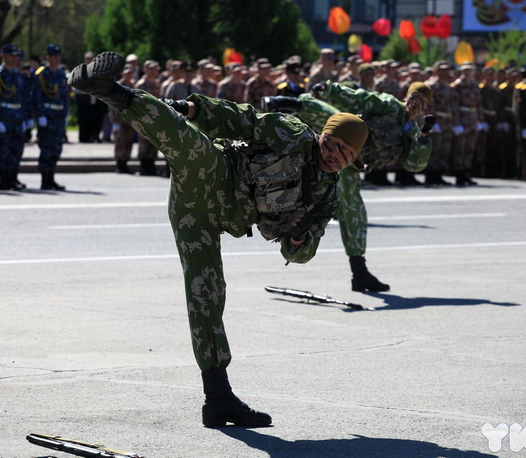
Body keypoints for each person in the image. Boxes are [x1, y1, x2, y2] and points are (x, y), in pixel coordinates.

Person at [67, 51, 368, 427]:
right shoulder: (291, 134)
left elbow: (304, 253)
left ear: (353, 161)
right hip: (214, 174)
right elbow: (241, 119)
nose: (335, 155)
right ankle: (109, 90)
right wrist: (191, 108)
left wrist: (298, 235)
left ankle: (218, 399)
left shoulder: (327, 195)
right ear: (323, 134)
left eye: (346, 154)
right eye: (333, 144)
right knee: (188, 143)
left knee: (207, 294)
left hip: (209, 218)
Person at [261, 79, 434, 293]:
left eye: (422, 101)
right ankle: (290, 104)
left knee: (354, 213)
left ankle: (359, 273)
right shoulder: (389, 105)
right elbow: (360, 99)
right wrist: (331, 89)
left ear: (426, 107)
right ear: (406, 96)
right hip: (340, 144)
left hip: (353, 165)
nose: (416, 103)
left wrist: (424, 136)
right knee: (338, 120)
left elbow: (415, 164)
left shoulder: (414, 132)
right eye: (414, 97)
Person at [0, 44, 29, 190]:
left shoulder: (19, 76)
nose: (13, 59)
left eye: (15, 56)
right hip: (4, 117)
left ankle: (13, 178)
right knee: (3, 151)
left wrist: (26, 118)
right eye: (10, 56)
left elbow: (24, 99)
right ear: (3, 56)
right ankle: (4, 180)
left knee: (16, 150)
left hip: (17, 117)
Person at [33, 44, 69, 190]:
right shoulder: (41, 74)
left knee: (56, 149)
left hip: (58, 116)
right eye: (54, 56)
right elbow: (36, 97)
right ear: (48, 57)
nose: (56, 59)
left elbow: (64, 97)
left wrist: (66, 113)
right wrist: (40, 116)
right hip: (47, 116)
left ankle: (51, 177)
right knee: (46, 149)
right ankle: (45, 179)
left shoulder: (61, 74)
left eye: (58, 56)